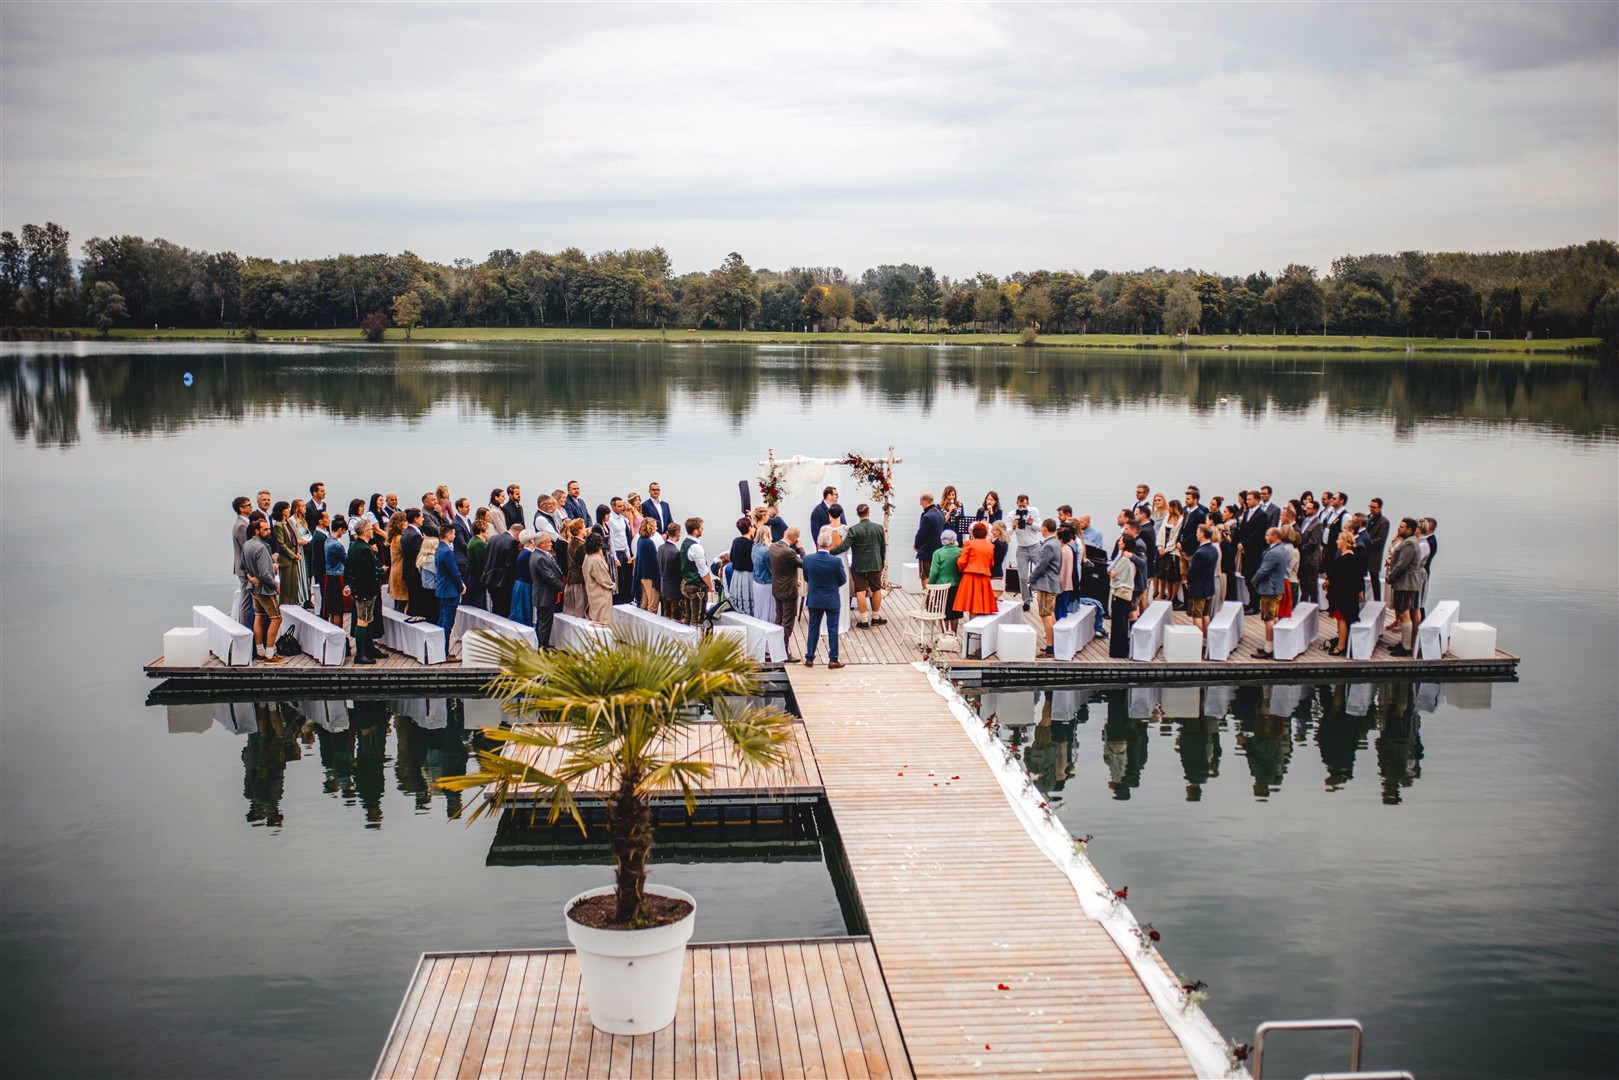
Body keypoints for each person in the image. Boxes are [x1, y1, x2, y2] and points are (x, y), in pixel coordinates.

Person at [831, 502, 887, 626]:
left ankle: (864, 620)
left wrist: (829, 552)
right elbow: (883, 548)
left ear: (858, 514)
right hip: (875, 563)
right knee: (876, 589)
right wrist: (881, 563)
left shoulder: (854, 529)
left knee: (860, 591)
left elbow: (845, 546)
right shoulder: (879, 528)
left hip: (859, 565)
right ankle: (876, 617)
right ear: (868, 513)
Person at [242, 516, 286, 663]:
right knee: (277, 618)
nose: (269, 532)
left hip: (254, 589)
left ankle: (260, 650)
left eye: (269, 529)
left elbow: (244, 566)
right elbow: (264, 574)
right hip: (265, 590)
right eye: (265, 530)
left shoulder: (247, 544)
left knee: (259, 617)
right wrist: (276, 587)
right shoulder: (261, 547)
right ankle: (269, 654)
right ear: (257, 531)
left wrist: (250, 577)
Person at [802, 533, 848, 669]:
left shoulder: (807, 559)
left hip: (814, 598)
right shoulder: (836, 561)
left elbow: (806, 577)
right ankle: (833, 659)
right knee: (833, 628)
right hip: (831, 599)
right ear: (830, 545)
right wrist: (832, 587)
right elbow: (843, 579)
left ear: (817, 544)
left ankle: (809, 657)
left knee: (813, 627)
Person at [345, 519, 384, 664]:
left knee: (368, 619)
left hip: (359, 589)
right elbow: (364, 572)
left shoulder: (354, 546)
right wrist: (351, 586)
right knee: (363, 620)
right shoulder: (365, 549)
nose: (372, 530)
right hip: (365, 590)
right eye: (370, 528)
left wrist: (349, 584)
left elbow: (348, 568)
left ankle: (369, 648)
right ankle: (360, 653)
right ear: (365, 531)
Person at [1386, 517, 1424, 656]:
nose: (1399, 528)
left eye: (1402, 527)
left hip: (1405, 584)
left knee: (1404, 612)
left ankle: (1406, 647)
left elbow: (1402, 565)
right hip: (1404, 583)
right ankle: (1404, 643)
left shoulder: (1409, 544)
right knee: (1402, 611)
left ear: (1409, 529)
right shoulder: (1408, 541)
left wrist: (1390, 577)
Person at [1250, 528, 1290, 658]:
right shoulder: (1281, 549)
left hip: (1269, 589)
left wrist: (1254, 581)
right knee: (1274, 617)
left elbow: (1264, 570)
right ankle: (1274, 645)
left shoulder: (1274, 552)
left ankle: (1268, 649)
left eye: (1268, 535)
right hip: (1275, 588)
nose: (1265, 537)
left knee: (1268, 618)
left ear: (1275, 536)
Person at [1324, 529, 1362, 656]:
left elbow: (1341, 577)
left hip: (1344, 595)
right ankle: (1341, 642)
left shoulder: (1347, 559)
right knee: (1342, 619)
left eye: (1339, 539)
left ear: (1345, 542)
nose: (1337, 541)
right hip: (1345, 594)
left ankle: (1341, 645)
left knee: (1342, 619)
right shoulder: (1348, 557)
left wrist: (1329, 582)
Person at [769, 527, 803, 658]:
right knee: (788, 622)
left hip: (777, 587)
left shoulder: (773, 547)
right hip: (788, 590)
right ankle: (784, 651)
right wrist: (800, 549)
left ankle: (775, 648)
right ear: (795, 540)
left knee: (778, 618)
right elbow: (805, 563)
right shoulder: (789, 552)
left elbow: (784, 567)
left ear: (784, 534)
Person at [1029, 518, 1061, 655]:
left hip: (1046, 584)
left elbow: (1041, 565)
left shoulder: (1048, 545)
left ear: (1045, 528)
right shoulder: (1057, 543)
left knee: (1045, 616)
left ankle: (1050, 648)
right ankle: (1054, 644)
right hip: (1053, 582)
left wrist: (1031, 578)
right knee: (1050, 614)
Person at [955, 522, 999, 620]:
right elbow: (991, 563)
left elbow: (961, 561)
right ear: (985, 534)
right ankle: (977, 630)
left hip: (970, 576)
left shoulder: (969, 543)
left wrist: (961, 570)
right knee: (980, 605)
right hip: (984, 577)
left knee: (972, 605)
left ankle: (971, 628)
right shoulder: (990, 546)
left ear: (973, 533)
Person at [529, 532, 564, 648]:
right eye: (548, 542)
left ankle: (541, 645)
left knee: (543, 622)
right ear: (541, 544)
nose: (551, 544)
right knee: (544, 624)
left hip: (544, 595)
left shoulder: (540, 555)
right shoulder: (540, 558)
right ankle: (542, 647)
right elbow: (549, 577)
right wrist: (562, 587)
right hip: (544, 596)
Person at [1185, 523, 1219, 639]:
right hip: (1209, 586)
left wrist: (1188, 581)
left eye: (1198, 532)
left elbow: (1193, 571)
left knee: (1197, 615)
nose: (1196, 534)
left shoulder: (1200, 553)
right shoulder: (1214, 549)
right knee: (1206, 614)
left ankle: (1198, 641)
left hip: (1198, 588)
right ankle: (1206, 639)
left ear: (1203, 534)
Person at [433, 524, 464, 647]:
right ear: (448, 535)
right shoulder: (447, 552)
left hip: (442, 589)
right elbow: (454, 572)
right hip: (449, 591)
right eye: (453, 533)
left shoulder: (439, 548)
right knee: (447, 623)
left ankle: (440, 650)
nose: (454, 535)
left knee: (442, 621)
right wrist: (461, 587)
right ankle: (444, 651)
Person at [483, 520, 521, 618]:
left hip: (489, 578)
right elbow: (510, 564)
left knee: (495, 607)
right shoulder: (512, 542)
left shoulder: (494, 538)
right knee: (504, 609)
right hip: (502, 581)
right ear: (518, 533)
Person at [929, 528, 964, 633]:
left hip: (942, 587)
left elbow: (934, 571)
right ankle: (953, 634)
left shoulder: (938, 553)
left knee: (943, 613)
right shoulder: (961, 551)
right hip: (957, 585)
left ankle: (944, 635)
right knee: (955, 613)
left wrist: (930, 585)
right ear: (954, 539)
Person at [677, 518, 711, 627]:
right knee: (697, 619)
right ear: (695, 531)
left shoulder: (685, 543)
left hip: (686, 583)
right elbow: (703, 570)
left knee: (688, 615)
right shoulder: (696, 547)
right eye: (701, 527)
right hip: (697, 587)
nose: (703, 529)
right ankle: (697, 641)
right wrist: (710, 585)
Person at [1009, 494, 1041, 608]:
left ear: (1028, 504)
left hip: (1035, 545)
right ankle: (1026, 601)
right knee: (1022, 576)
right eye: (1020, 506)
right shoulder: (1012, 514)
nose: (1022, 508)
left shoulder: (1034, 511)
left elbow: (1041, 528)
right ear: (1017, 503)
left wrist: (1032, 523)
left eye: (1024, 506)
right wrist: (1013, 526)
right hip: (1022, 547)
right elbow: (1008, 533)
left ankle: (1036, 592)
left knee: (1041, 572)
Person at [1107, 541, 1136, 659]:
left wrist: (1112, 573)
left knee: (1119, 623)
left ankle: (1118, 651)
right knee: (1122, 622)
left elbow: (1114, 573)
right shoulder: (1129, 559)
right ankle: (1121, 649)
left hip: (1120, 594)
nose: (1119, 542)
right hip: (1125, 594)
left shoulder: (1124, 559)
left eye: (1122, 541)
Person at [322, 515, 349, 628]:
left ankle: (333, 631)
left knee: (332, 609)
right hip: (337, 577)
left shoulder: (328, 541)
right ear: (340, 529)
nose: (343, 533)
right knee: (338, 609)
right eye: (343, 531)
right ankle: (339, 633)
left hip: (329, 576)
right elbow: (347, 560)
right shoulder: (336, 545)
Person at [271, 501, 300, 607]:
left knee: (294, 584)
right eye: (286, 508)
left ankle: (293, 604)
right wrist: (293, 555)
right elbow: (282, 544)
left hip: (294, 555)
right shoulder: (278, 525)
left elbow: (295, 538)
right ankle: (285, 606)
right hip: (286, 558)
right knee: (286, 586)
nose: (289, 510)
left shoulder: (289, 522)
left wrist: (298, 551)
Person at [914, 490, 946, 586]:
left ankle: (927, 597)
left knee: (925, 575)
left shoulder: (927, 516)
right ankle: (935, 597)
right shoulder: (940, 514)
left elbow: (921, 533)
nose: (920, 504)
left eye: (921, 502)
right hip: (938, 549)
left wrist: (917, 545)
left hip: (927, 551)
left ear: (924, 501)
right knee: (936, 574)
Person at [582, 533, 615, 624]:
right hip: (601, 595)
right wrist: (613, 586)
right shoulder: (596, 560)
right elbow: (603, 579)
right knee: (603, 623)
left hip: (592, 593)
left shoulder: (587, 557)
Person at [1155, 499, 1184, 603]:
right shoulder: (1167, 517)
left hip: (1173, 550)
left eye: (1171, 507)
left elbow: (1176, 536)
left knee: (1174, 574)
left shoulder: (1180, 519)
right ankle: (1166, 594)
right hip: (1163, 548)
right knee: (1165, 574)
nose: (1169, 509)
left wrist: (1167, 549)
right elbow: (1161, 532)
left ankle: (1173, 596)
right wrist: (1160, 547)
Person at [231, 496, 254, 628]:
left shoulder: (245, 523)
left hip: (245, 568)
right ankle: (246, 628)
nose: (252, 507)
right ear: (241, 508)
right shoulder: (241, 526)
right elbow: (246, 548)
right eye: (249, 505)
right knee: (246, 600)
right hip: (245, 569)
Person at [1298, 496, 1324, 605]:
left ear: (1315, 510)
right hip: (1303, 558)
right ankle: (1303, 603)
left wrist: (1301, 549)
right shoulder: (1305, 521)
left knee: (1312, 585)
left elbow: (1314, 541)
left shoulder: (1318, 524)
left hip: (1311, 559)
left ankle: (1314, 605)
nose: (1306, 509)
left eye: (1309, 508)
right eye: (1306, 507)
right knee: (1304, 584)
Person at [727, 517, 756, 616]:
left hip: (737, 574)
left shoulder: (736, 541)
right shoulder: (752, 544)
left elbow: (731, 557)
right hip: (747, 575)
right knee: (747, 594)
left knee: (738, 595)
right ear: (749, 528)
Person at [608, 496, 635, 603]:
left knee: (625, 579)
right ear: (613, 506)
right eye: (619, 506)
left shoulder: (623, 519)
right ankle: (617, 602)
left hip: (624, 550)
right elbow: (612, 540)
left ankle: (625, 600)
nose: (621, 508)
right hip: (616, 552)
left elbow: (624, 537)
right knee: (617, 579)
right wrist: (614, 557)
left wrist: (628, 553)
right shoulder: (610, 519)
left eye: (622, 506)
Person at [656, 521, 684, 622]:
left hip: (664, 587)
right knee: (676, 618)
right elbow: (679, 571)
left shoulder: (660, 548)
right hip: (674, 589)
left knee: (666, 615)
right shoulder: (675, 552)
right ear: (677, 534)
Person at [1364, 498, 1390, 601]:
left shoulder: (1384, 522)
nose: (1371, 509)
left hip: (1374, 554)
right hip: (1364, 553)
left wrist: (1366, 543)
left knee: (1374, 578)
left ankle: (1377, 600)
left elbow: (1380, 539)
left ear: (1380, 508)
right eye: (1370, 506)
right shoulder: (1367, 518)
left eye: (1374, 507)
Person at [634, 517, 662, 612]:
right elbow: (654, 562)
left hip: (642, 575)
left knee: (644, 604)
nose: (656, 529)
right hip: (650, 577)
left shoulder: (640, 540)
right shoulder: (649, 543)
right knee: (652, 605)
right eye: (655, 527)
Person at [751, 525, 776, 625]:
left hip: (756, 582)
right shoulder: (766, 551)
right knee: (768, 610)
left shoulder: (754, 547)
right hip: (766, 583)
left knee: (759, 608)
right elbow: (772, 569)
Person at [510, 532, 534, 628]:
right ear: (532, 540)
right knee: (524, 610)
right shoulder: (527, 554)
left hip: (520, 584)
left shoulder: (523, 552)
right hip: (525, 585)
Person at [465, 518, 490, 610]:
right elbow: (482, 562)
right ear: (481, 531)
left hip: (473, 575)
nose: (488, 532)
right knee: (479, 599)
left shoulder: (474, 540)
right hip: (477, 576)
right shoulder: (479, 544)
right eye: (486, 529)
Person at [989, 521, 1010, 592]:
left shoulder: (997, 544)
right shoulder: (1004, 543)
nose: (991, 531)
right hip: (998, 571)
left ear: (999, 531)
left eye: (993, 530)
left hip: (993, 572)